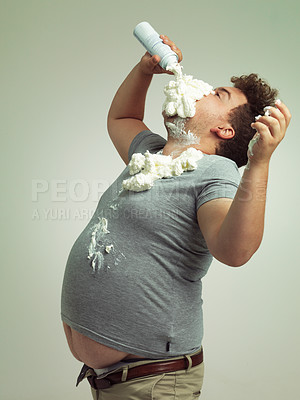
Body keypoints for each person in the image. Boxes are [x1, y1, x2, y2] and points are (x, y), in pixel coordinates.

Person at [61, 34, 291, 400]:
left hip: (152, 383)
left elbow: (235, 251)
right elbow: (122, 116)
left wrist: (260, 162)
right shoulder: (150, 153)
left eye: (217, 94)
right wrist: (144, 71)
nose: (200, 88)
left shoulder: (213, 171)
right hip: (113, 380)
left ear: (225, 130)